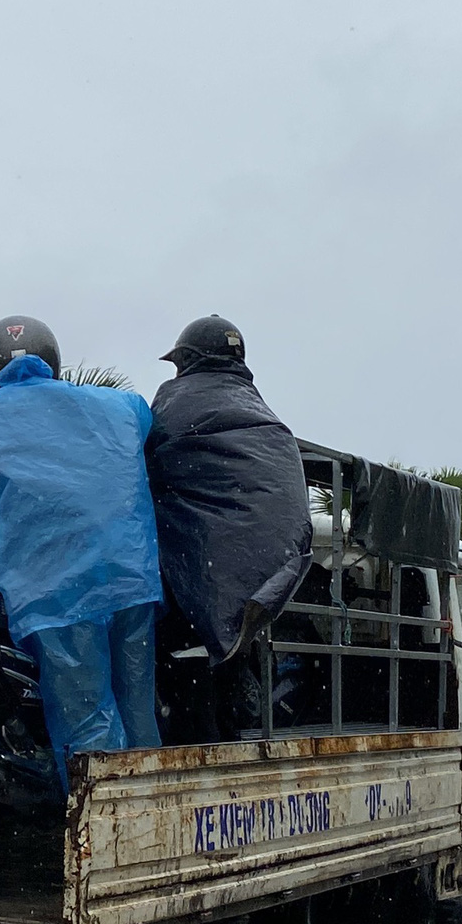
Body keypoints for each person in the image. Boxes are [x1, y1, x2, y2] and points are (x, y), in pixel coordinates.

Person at [0, 316, 163, 785]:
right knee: (138, 712)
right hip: (129, 576)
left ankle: (109, 846)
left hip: (54, 592)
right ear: (52, 358)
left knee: (88, 722)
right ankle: (153, 825)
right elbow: (143, 422)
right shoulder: (120, 405)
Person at [145, 315, 312, 742]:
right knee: (220, 671)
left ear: (188, 360)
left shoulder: (173, 401)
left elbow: (142, 474)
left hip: (199, 582)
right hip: (260, 589)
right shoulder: (265, 416)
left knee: (163, 649)